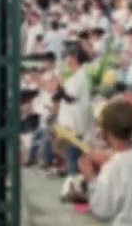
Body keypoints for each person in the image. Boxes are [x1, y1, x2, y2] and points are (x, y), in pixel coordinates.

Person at [55, 43, 93, 176]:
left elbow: (70, 98)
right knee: (73, 161)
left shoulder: (80, 76)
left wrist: (60, 85)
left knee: (74, 164)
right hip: (71, 126)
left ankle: (74, 182)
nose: (65, 60)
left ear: (74, 57)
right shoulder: (75, 76)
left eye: (67, 56)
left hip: (75, 128)